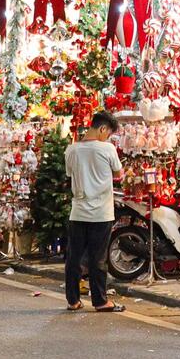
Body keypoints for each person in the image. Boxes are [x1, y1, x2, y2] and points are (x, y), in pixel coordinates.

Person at [63, 111, 125, 312]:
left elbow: (70, 175)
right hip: (101, 213)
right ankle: (100, 301)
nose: (107, 137)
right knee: (98, 258)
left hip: (78, 211)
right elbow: (118, 174)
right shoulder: (107, 149)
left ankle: (73, 300)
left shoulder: (71, 150)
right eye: (108, 133)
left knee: (74, 257)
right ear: (103, 129)